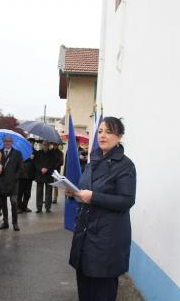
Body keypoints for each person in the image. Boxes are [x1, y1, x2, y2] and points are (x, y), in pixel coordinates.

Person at [67, 117, 136, 301]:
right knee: (85, 291)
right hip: (85, 235)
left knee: (102, 292)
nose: (102, 135)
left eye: (109, 131)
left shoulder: (125, 166)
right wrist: (74, 192)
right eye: (100, 131)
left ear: (119, 136)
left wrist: (93, 197)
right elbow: (86, 188)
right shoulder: (93, 161)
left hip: (107, 240)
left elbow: (126, 200)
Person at [0, 136, 23, 231]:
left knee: (14, 203)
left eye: (9, 141)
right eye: (6, 141)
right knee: (3, 204)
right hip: (2, 182)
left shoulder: (17, 153)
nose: (7, 143)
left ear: (12, 142)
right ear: (3, 142)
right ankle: (5, 222)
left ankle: (15, 223)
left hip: (13, 183)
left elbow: (21, 169)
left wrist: (15, 177)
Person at [34, 140, 55, 213]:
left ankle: (47, 207)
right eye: (44, 145)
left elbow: (53, 164)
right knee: (39, 192)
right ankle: (39, 207)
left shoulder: (52, 154)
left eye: (46, 145)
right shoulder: (38, 153)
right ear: (42, 145)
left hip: (48, 175)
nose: (45, 146)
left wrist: (47, 169)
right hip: (40, 175)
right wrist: (41, 169)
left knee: (48, 192)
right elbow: (36, 163)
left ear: (48, 146)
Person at [17, 138, 36, 213]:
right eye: (30, 142)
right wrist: (28, 158)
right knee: (20, 192)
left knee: (27, 193)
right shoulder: (21, 150)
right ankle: (19, 207)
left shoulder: (35, 152)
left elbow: (36, 163)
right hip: (22, 175)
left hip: (30, 175)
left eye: (32, 143)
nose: (31, 144)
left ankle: (24, 206)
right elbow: (19, 161)